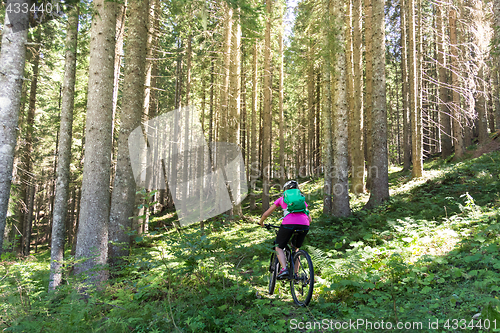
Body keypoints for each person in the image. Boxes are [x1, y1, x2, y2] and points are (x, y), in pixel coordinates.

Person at [259, 180, 311, 279]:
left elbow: (266, 214)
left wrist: (261, 222)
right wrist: (305, 224)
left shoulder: (282, 199)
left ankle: (284, 269)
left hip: (288, 224)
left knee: (278, 246)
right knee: (296, 249)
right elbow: (309, 217)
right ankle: (296, 274)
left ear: (285, 190)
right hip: (304, 224)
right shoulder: (301, 200)